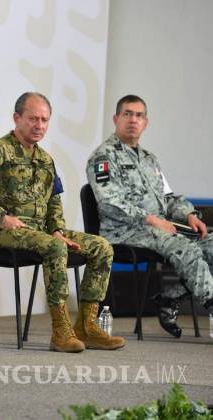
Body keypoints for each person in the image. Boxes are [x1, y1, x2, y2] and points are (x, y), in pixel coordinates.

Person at [0, 92, 126, 353]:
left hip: (39, 231)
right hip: (2, 231)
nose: (39, 125)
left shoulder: (46, 159)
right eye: (33, 119)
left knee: (101, 247)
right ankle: (61, 330)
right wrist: (0, 215)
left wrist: (57, 229)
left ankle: (87, 326)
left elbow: (54, 201)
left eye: (44, 120)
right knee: (54, 248)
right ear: (17, 118)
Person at [86, 94, 213, 338]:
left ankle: (169, 298)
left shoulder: (149, 160)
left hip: (160, 229)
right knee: (183, 247)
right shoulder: (103, 157)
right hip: (124, 232)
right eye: (127, 114)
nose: (133, 120)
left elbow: (168, 198)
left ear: (146, 122)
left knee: (210, 244)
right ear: (115, 119)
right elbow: (109, 203)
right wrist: (151, 219)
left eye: (139, 115)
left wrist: (189, 214)